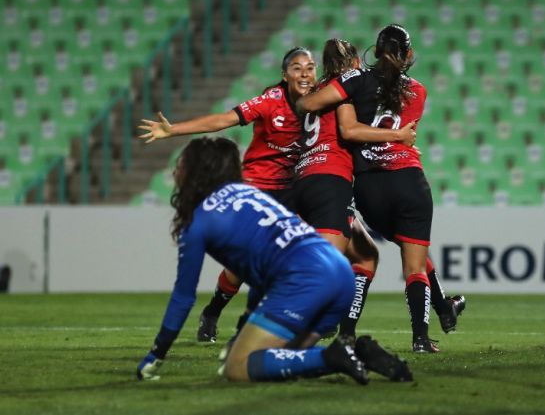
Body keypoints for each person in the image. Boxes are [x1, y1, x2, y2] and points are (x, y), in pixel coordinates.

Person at [135, 137, 412, 383]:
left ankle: (333, 357)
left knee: (238, 368)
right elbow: (264, 269)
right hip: (339, 271)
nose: (175, 171)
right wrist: (243, 329)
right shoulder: (250, 193)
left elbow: (184, 297)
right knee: (276, 359)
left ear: (195, 173)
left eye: (181, 164)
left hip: (305, 280)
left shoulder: (198, 222)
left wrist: (157, 353)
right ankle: (359, 354)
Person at [297, 24, 465, 353]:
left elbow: (314, 107)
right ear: (410, 55)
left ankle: (443, 306)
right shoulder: (418, 90)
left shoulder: (356, 80)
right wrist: (398, 138)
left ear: (373, 51)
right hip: (408, 181)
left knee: (396, 245)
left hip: (370, 187)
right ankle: (420, 337)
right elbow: (401, 124)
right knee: (414, 262)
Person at [139, 47, 317, 344]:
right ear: (285, 76)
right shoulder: (270, 100)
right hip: (258, 185)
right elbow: (223, 120)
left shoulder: (321, 101)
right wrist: (174, 131)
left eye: (310, 68)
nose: (304, 74)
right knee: (244, 264)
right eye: (297, 68)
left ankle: (299, 320)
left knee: (304, 248)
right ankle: (213, 312)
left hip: (294, 187)